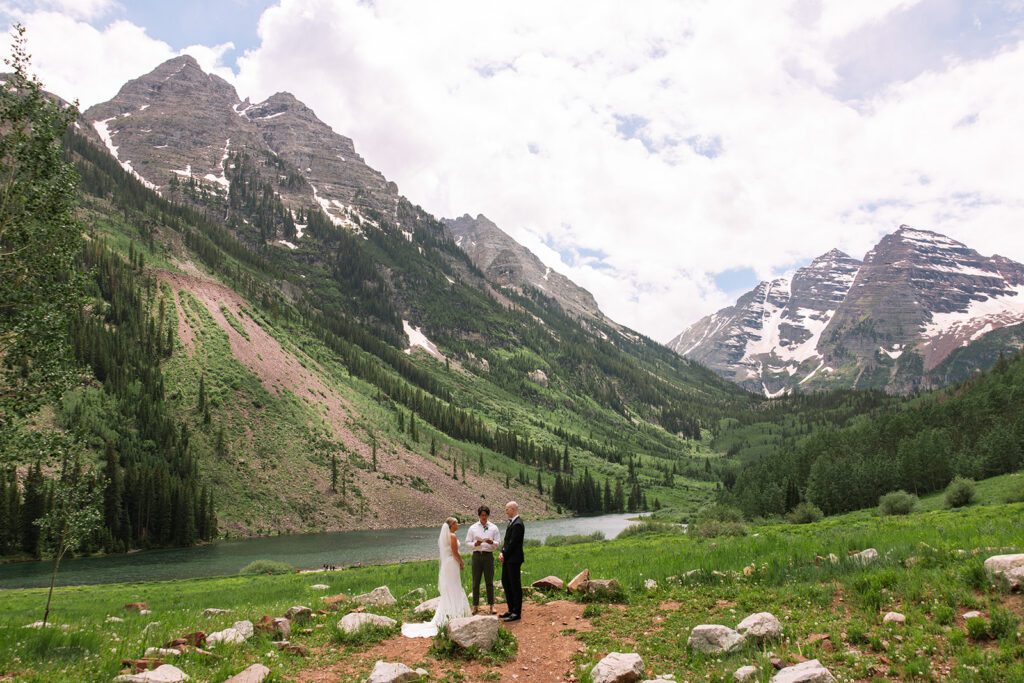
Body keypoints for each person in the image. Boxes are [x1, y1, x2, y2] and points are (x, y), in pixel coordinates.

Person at [430, 516, 472, 628]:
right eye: (456, 523)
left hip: (447, 564)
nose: (458, 525)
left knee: (450, 585)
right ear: (452, 525)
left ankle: (450, 610)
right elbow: (455, 552)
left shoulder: (444, 536)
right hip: (452, 563)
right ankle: (456, 612)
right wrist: (461, 562)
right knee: (455, 585)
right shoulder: (452, 536)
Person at [465, 505, 501, 614]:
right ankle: (475, 606)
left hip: (488, 556)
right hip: (476, 555)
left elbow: (498, 544)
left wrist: (492, 542)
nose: (484, 517)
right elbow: (467, 543)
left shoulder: (494, 528)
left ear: (488, 515)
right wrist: (475, 544)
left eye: (485, 515)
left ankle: (491, 606)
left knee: (489, 581)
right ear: (479, 515)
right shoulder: (473, 528)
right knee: (476, 581)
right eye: (482, 515)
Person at [498, 501, 524, 622]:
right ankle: (510, 609)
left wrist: (504, 553)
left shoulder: (518, 524)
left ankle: (516, 612)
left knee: (515, 585)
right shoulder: (512, 523)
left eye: (507, 509)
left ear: (513, 509)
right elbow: (507, 541)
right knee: (506, 582)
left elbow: (513, 543)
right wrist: (502, 552)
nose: (506, 511)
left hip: (513, 559)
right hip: (508, 559)